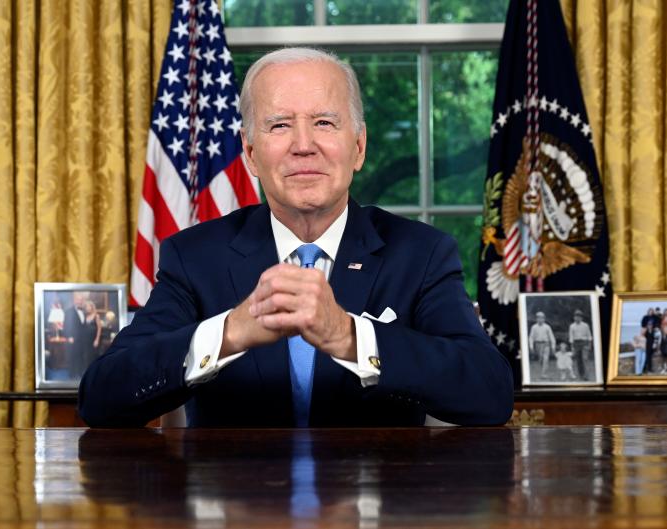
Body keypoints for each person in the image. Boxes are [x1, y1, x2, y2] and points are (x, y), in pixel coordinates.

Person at [78, 47, 514, 428]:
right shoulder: (195, 257)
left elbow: (490, 393)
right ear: (249, 152)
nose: (303, 145)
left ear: (358, 147)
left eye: (324, 122)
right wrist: (230, 332)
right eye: (280, 125)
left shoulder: (420, 254)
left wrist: (349, 337)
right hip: (239, 508)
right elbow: (101, 399)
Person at [64, 291, 89, 379]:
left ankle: (79, 374)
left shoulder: (84, 311)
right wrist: (69, 337)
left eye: (81, 299)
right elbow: (66, 325)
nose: (80, 301)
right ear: (74, 300)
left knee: (80, 356)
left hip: (82, 339)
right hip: (73, 339)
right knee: (73, 357)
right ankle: (72, 375)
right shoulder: (68, 311)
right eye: (78, 299)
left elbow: (83, 326)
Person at [528, 312, 556, 379]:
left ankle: (544, 374)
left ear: (544, 319)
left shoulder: (547, 327)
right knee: (540, 360)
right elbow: (531, 337)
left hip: (546, 344)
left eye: (541, 318)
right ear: (536, 319)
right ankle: (543, 371)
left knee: (545, 359)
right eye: (538, 318)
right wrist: (531, 346)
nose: (540, 319)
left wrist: (553, 346)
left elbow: (551, 337)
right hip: (538, 344)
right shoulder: (534, 327)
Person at [568, 309, 592, 380]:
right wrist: (572, 346)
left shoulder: (585, 325)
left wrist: (589, 344)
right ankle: (581, 375)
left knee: (585, 359)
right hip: (576, 343)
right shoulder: (572, 326)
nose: (577, 318)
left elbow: (589, 336)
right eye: (576, 316)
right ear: (574, 317)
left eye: (579, 316)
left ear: (581, 318)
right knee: (578, 361)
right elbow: (571, 337)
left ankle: (586, 376)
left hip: (584, 343)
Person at [83, 300, 103, 367]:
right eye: (86, 307)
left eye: (89, 306)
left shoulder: (96, 316)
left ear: (92, 307)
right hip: (86, 339)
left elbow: (99, 329)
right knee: (87, 356)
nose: (87, 308)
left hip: (94, 339)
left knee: (93, 356)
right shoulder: (85, 316)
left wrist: (97, 340)